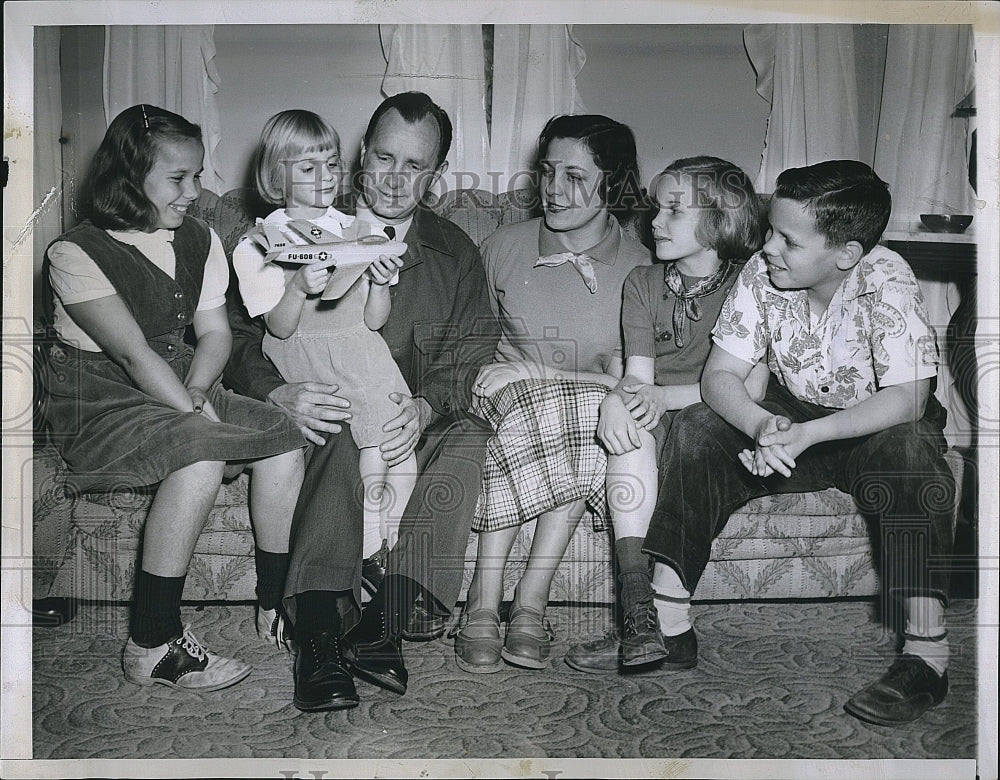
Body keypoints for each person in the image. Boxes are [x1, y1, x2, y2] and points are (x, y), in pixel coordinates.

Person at [641, 160, 955, 727]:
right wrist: (762, 425)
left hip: (877, 422)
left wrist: (812, 434)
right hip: (792, 412)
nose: (767, 248)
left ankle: (927, 654)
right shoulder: (762, 275)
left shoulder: (887, 278)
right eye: (768, 231)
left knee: (911, 450)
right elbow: (719, 379)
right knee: (696, 428)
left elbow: (908, 398)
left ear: (846, 254)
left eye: (787, 239)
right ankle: (667, 626)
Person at [345, 114, 651, 678]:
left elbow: (632, 377)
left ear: (617, 185)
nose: (555, 190)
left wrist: (543, 373)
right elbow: (471, 342)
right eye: (548, 172)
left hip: (574, 408)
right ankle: (487, 601)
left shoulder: (641, 267)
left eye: (577, 178)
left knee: (584, 413)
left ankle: (527, 601)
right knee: (534, 411)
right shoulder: (501, 246)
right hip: (497, 403)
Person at [222, 91, 497, 711]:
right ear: (360, 156)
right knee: (335, 433)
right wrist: (279, 392)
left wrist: (428, 405)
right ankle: (317, 632)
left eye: (415, 167)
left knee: (470, 433)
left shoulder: (456, 253)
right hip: (331, 409)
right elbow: (241, 333)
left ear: (436, 175)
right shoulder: (301, 226)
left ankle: (385, 620)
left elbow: (473, 347)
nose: (395, 181)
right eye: (384, 159)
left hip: (411, 419)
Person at [41, 104, 306, 693]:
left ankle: (273, 602)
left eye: (197, 175)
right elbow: (133, 355)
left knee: (284, 436)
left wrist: (196, 391)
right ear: (129, 176)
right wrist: (192, 414)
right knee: (201, 452)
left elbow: (213, 334)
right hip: (98, 398)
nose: (195, 192)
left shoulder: (199, 238)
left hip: (179, 378)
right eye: (178, 179)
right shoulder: (74, 253)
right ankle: (152, 642)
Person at [563, 156, 766, 673]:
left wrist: (654, 397)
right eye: (657, 208)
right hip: (658, 407)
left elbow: (751, 387)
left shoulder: (753, 285)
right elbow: (638, 374)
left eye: (673, 210)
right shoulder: (643, 283)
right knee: (629, 432)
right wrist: (620, 397)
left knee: (672, 427)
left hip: (715, 419)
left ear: (720, 219)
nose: (654, 222)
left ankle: (653, 617)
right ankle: (639, 612)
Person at [232, 110, 415, 596]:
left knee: (401, 451)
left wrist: (380, 283)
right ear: (276, 176)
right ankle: (368, 550)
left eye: (332, 164)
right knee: (367, 451)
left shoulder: (360, 227)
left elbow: (374, 319)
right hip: (307, 357)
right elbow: (279, 328)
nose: (327, 176)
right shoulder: (260, 241)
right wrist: (296, 288)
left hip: (362, 354)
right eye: (309, 168)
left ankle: (389, 548)